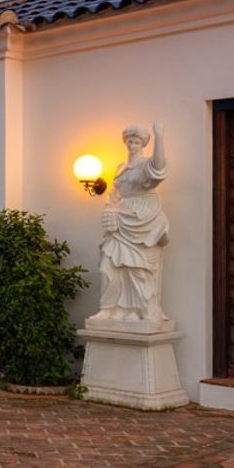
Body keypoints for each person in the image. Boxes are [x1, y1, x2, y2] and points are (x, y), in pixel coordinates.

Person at [97, 121, 169, 323]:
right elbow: (113, 195)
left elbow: (159, 167)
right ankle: (110, 308)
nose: (131, 145)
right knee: (107, 266)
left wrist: (159, 136)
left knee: (139, 268)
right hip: (120, 219)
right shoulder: (120, 168)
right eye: (129, 141)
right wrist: (109, 210)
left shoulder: (146, 165)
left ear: (143, 144)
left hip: (143, 218)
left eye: (136, 141)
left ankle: (139, 310)